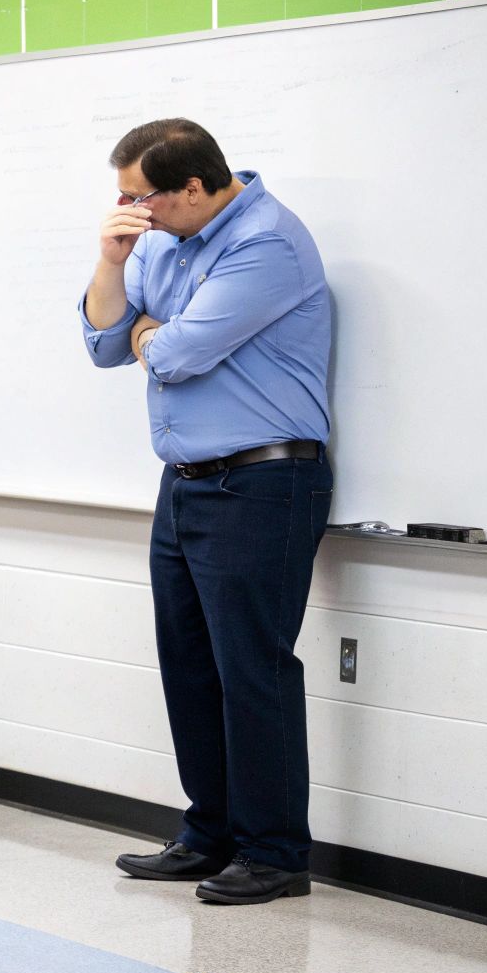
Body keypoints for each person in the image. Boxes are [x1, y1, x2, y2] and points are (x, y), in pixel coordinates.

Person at [79, 118, 334, 905]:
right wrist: (111, 261)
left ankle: (275, 853)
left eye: (137, 198)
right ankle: (210, 833)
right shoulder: (156, 241)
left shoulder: (266, 244)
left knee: (251, 669)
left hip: (263, 483)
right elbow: (102, 343)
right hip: (186, 480)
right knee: (189, 664)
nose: (130, 212)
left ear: (192, 187)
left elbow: (178, 354)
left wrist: (152, 334)